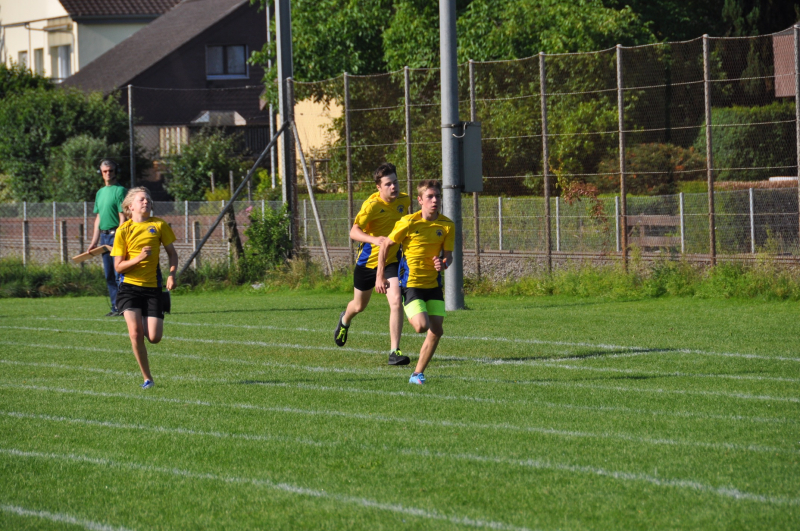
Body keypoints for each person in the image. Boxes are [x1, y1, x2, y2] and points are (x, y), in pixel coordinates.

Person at [376, 179, 454, 384]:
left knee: (437, 330)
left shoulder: (447, 225)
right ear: (420, 200)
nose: (435, 200)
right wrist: (380, 275)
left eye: (437, 196)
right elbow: (385, 245)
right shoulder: (408, 222)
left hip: (433, 285)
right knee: (421, 326)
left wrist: (443, 263)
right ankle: (406, 302)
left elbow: (449, 256)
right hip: (412, 284)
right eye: (430, 196)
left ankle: (417, 374)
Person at [334, 163, 411, 366]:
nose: (393, 187)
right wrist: (373, 239)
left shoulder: (405, 201)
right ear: (379, 187)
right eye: (388, 184)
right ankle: (345, 320)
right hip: (367, 263)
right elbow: (353, 232)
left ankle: (394, 351)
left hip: (391, 261)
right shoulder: (371, 206)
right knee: (359, 306)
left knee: (396, 301)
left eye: (395, 182)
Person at [112, 187, 178, 389]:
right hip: (129, 288)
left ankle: (145, 317)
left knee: (154, 337)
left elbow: (172, 254)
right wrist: (139, 258)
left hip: (152, 289)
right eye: (141, 199)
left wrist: (171, 275)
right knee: (135, 333)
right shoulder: (123, 230)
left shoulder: (159, 225)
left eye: (148, 199)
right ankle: (147, 378)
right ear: (130, 206)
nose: (146, 202)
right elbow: (118, 267)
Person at [87, 159, 127, 316]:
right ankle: (115, 307)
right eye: (105, 171)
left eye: (110, 170)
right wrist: (94, 242)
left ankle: (124, 307)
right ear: (101, 173)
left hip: (116, 236)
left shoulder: (120, 191)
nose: (108, 173)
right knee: (109, 275)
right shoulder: (100, 193)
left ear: (116, 171)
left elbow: (123, 216)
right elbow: (98, 218)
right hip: (104, 238)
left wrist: (119, 236)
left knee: (119, 274)